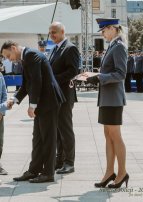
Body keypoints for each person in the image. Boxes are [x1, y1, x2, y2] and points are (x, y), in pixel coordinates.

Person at [2, 40, 65, 183]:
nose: (9, 59)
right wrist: (14, 99)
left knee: (48, 138)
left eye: (8, 55)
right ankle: (34, 170)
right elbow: (26, 85)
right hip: (43, 103)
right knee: (37, 139)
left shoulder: (31, 55)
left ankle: (48, 173)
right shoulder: (26, 57)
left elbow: (37, 80)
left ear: (13, 48)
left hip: (49, 102)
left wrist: (32, 105)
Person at [86, 18, 129, 188]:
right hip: (107, 99)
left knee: (115, 136)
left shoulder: (119, 47)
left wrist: (99, 77)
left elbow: (121, 74)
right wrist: (94, 75)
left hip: (113, 99)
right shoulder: (112, 45)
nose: (102, 34)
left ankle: (122, 172)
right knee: (108, 136)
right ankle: (110, 172)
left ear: (112, 28)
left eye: (104, 31)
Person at [48, 22, 80, 174]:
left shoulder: (70, 48)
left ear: (62, 31)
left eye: (54, 32)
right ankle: (59, 160)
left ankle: (69, 162)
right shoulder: (55, 48)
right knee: (58, 130)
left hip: (65, 96)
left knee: (65, 129)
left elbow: (73, 71)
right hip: (55, 97)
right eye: (50, 32)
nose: (51, 35)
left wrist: (52, 79)